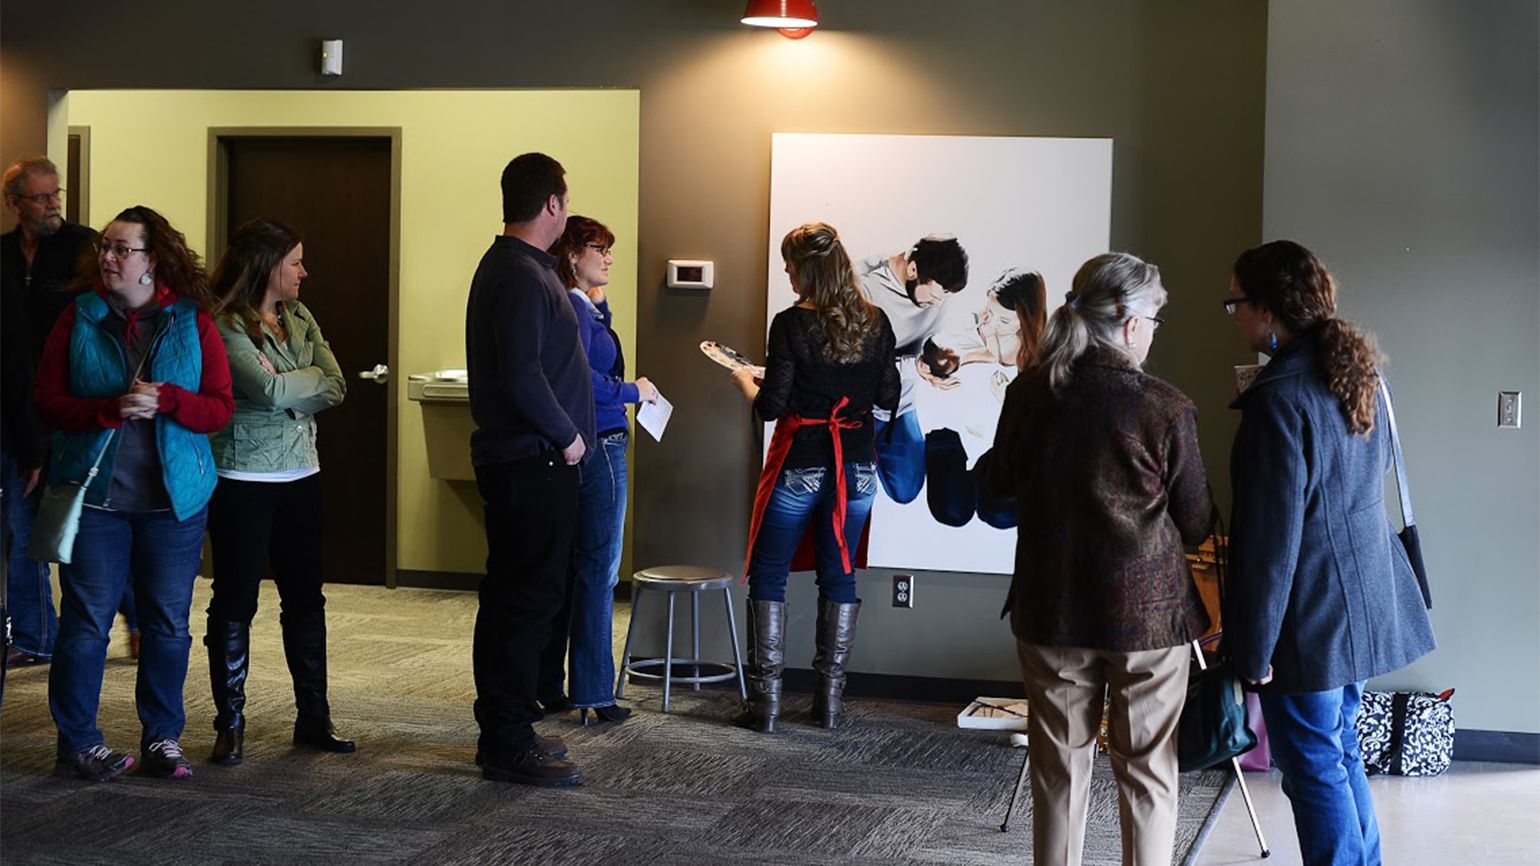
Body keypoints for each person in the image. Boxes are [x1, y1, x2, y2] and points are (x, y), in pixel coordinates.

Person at [983, 252, 1211, 866]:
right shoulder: (1164, 406)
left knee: (1057, 772)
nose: (1155, 333)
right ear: (1132, 323)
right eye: (1156, 319)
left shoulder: (1031, 391)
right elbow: (1195, 523)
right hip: (1147, 620)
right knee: (1147, 775)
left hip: (1050, 610)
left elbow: (997, 484)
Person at [1224, 240, 1436, 866]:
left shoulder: (1278, 400)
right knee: (1338, 751)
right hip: (1365, 602)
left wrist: (1254, 650)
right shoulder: (1359, 374)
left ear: (1269, 311)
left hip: (1311, 618)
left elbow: (1270, 541)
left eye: (1235, 302)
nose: (1232, 315)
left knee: (1316, 765)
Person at [34, 205, 234, 781]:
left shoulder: (192, 321)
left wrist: (169, 398)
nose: (109, 258)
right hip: (96, 499)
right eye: (105, 247)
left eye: (123, 249)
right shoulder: (79, 316)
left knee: (168, 623)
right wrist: (108, 409)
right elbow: (46, 401)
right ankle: (78, 742)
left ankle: (163, 738)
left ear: (154, 260)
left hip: (173, 503)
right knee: (87, 623)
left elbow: (218, 408)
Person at [731, 222, 899, 733]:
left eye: (789, 263)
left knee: (768, 574)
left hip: (801, 466)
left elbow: (772, 407)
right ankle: (828, 705)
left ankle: (767, 706)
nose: (785, 271)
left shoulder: (789, 324)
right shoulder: (876, 320)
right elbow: (888, 395)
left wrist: (745, 379)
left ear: (807, 269)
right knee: (839, 574)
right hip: (859, 469)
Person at [205, 217, 353, 767]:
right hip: (242, 477)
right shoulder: (225, 324)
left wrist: (291, 387)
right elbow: (263, 389)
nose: (303, 271)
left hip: (301, 474)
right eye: (295, 261)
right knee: (237, 599)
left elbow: (336, 384)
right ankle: (231, 723)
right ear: (268, 266)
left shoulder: (299, 316)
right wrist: (298, 384)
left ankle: (314, 717)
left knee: (306, 599)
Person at [465, 153, 592, 787]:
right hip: (532, 462)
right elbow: (521, 374)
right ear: (550, 204)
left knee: (520, 596)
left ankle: (505, 726)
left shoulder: (522, 268)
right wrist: (568, 436)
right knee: (524, 601)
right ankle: (508, 738)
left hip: (532, 462)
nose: (565, 211)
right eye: (564, 201)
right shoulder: (518, 273)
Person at [536, 215, 656, 726]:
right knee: (600, 572)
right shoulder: (574, 310)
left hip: (591, 441)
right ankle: (594, 692)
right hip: (601, 442)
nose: (608, 258)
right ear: (571, 254)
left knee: (578, 569)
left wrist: (602, 308)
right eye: (598, 249)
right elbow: (584, 381)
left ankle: (561, 685)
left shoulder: (583, 308)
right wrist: (634, 393)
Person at [1, 156, 96, 667]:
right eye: (41, 196)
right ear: (13, 203)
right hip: (19, 409)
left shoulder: (84, 248)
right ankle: (37, 636)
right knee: (23, 528)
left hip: (72, 409)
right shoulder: (3, 257)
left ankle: (133, 616)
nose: (54, 203)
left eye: (56, 193)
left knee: (83, 530)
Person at [854, 236, 968, 503]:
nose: (937, 304)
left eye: (944, 298)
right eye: (934, 296)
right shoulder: (866, 289)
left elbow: (932, 340)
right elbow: (861, 364)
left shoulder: (937, 295)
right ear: (914, 269)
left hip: (901, 406)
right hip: (860, 409)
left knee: (906, 491)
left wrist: (936, 363)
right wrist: (913, 367)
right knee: (853, 493)